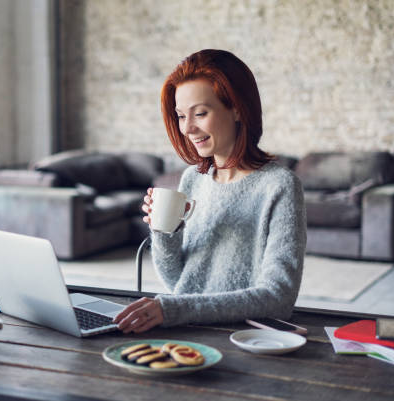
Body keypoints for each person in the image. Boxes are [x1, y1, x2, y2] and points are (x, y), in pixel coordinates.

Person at [113, 49, 307, 334]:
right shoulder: (193, 179)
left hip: (243, 339)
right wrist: (164, 232)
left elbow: (278, 299)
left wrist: (171, 309)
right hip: (187, 331)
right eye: (181, 116)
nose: (188, 128)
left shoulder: (279, 186)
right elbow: (181, 283)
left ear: (238, 108)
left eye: (200, 113)